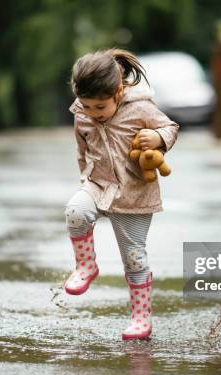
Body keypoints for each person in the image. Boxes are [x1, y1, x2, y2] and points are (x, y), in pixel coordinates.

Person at [64, 48, 179, 340]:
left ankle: (141, 318)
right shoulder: (82, 114)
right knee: (75, 211)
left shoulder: (141, 108)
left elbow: (170, 128)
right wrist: (84, 180)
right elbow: (83, 151)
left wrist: (158, 138)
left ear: (118, 91)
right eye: (86, 105)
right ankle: (86, 266)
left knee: (134, 257)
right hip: (98, 184)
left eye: (99, 107)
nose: (93, 114)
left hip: (134, 193)